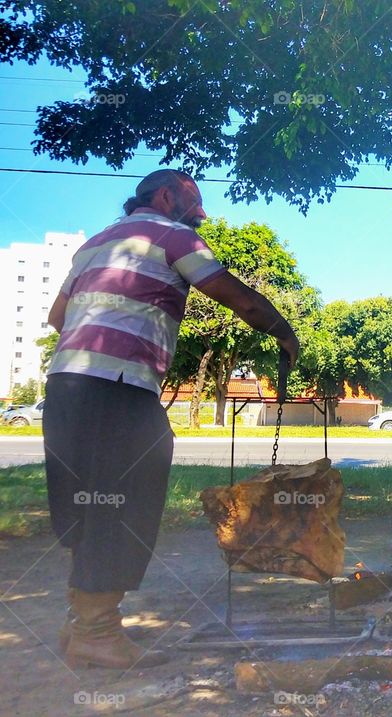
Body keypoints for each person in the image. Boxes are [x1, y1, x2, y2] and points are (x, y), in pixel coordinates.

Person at [43, 169, 299, 669]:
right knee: (127, 498)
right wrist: (284, 333)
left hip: (66, 385)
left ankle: (83, 626)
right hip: (116, 386)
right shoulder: (173, 235)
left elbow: (58, 317)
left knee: (85, 501)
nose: (202, 214)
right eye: (195, 202)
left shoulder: (96, 244)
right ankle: (96, 631)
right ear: (165, 197)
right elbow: (234, 294)